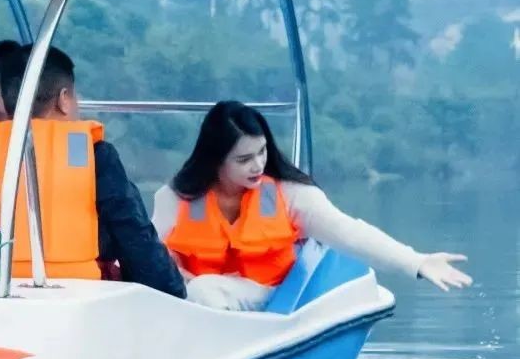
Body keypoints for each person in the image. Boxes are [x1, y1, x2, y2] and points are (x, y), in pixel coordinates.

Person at [0, 42, 186, 296]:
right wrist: (173, 285)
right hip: (77, 315)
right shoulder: (97, 159)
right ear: (64, 99)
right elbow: (148, 263)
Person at [153, 100, 472, 309]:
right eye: (244, 159)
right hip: (192, 303)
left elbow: (350, 234)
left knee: (206, 292)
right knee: (198, 291)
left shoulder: (289, 194)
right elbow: (149, 253)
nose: (258, 165)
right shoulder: (176, 197)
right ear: (215, 160)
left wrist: (416, 262)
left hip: (266, 297)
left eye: (262, 152)